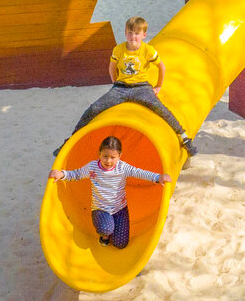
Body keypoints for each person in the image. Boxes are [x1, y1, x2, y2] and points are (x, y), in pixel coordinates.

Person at [55, 16, 196, 157]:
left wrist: (158, 86)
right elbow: (112, 67)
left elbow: (162, 67)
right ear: (125, 33)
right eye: (130, 33)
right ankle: (70, 139)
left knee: (161, 109)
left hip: (141, 88)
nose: (133, 36)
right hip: (121, 88)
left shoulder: (148, 50)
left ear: (144, 35)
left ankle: (184, 137)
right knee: (94, 108)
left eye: (137, 33)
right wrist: (115, 83)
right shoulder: (119, 49)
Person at [48, 135, 171, 248]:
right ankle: (104, 236)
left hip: (120, 209)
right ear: (99, 154)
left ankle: (112, 227)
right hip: (100, 209)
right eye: (105, 156)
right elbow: (77, 174)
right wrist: (61, 174)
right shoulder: (93, 167)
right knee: (106, 229)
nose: (108, 161)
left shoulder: (122, 167)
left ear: (120, 156)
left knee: (120, 244)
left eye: (113, 157)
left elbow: (139, 172)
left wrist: (158, 177)